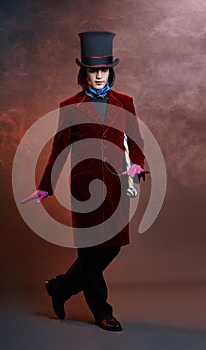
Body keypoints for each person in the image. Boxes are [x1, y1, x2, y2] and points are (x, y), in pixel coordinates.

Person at [22, 31, 148, 332]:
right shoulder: (69, 105)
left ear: (111, 71)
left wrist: (139, 165)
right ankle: (102, 311)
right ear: (84, 73)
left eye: (104, 70)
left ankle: (61, 287)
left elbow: (136, 139)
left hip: (116, 185)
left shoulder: (125, 102)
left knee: (112, 246)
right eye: (93, 71)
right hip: (85, 189)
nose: (99, 76)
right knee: (90, 251)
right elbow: (59, 148)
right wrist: (45, 186)